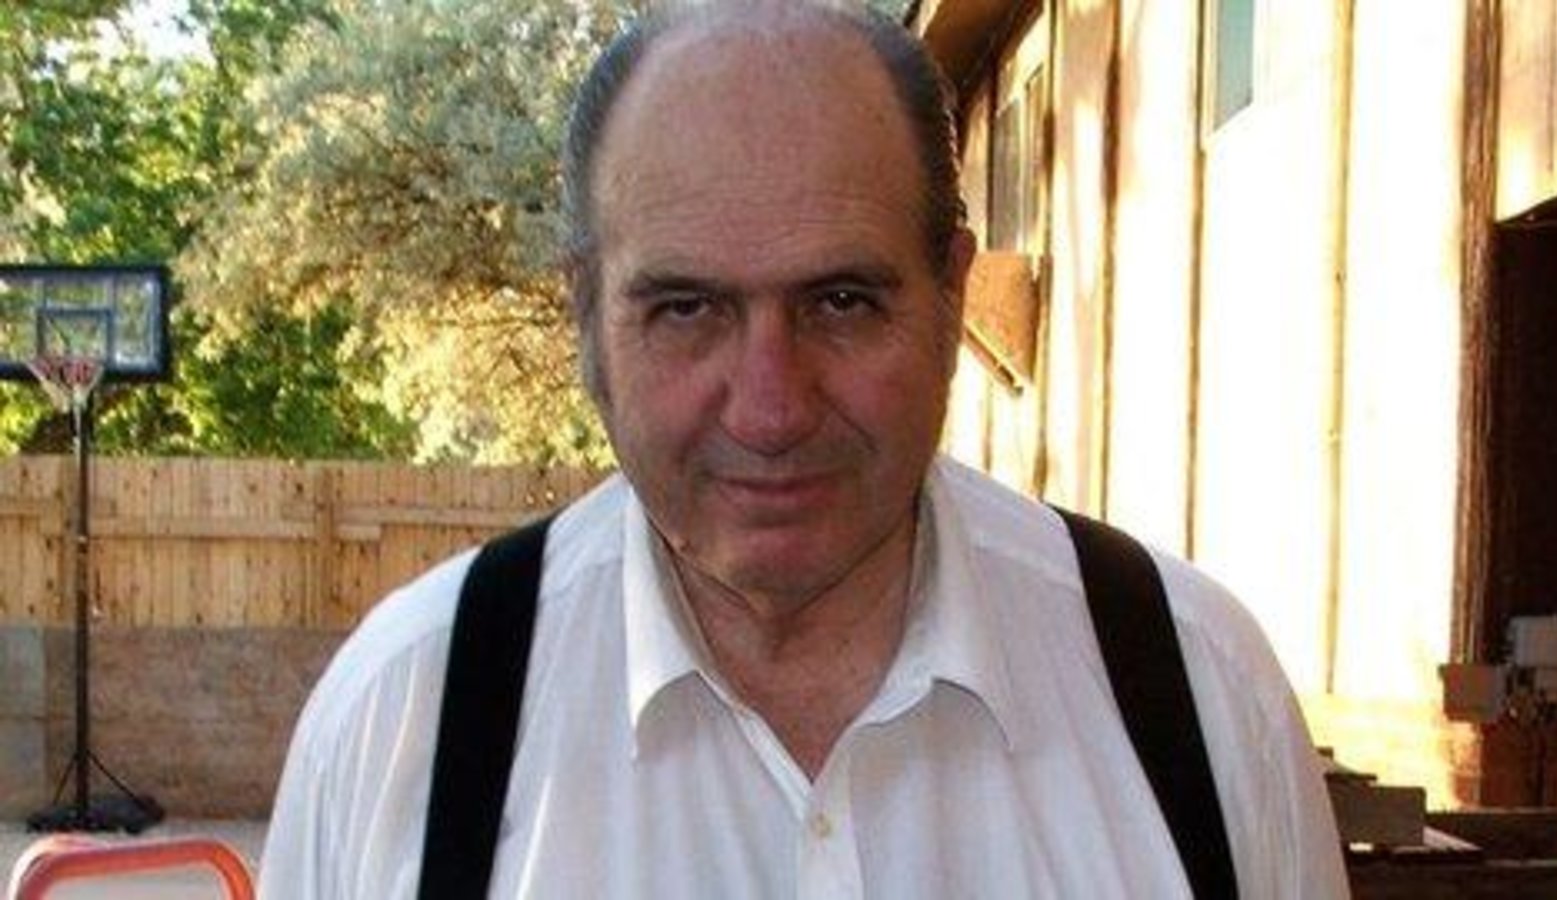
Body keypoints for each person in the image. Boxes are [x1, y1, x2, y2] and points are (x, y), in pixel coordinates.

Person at [259, 2, 1349, 897]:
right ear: (585, 313)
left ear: (950, 295)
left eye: (841, 301)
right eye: (687, 308)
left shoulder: (1201, 699)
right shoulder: (403, 726)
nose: (770, 411)